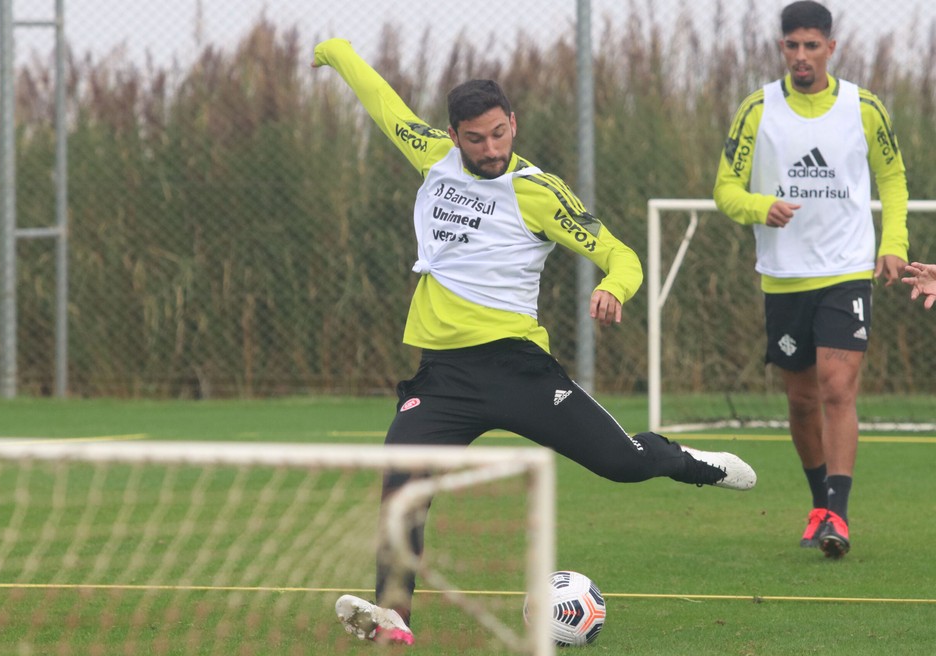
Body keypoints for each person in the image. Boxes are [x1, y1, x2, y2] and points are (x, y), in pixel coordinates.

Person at [312, 37, 756, 646]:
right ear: (454, 134)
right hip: (442, 380)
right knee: (401, 482)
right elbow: (380, 100)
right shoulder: (431, 156)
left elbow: (620, 254)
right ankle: (395, 620)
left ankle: (689, 463)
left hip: (521, 372)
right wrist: (335, 51)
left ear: (513, 123)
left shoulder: (539, 193)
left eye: (500, 134)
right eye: (476, 139)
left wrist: (614, 289)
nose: (491, 149)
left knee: (621, 464)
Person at [714, 1, 909, 559]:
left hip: (847, 269)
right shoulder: (757, 108)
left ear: (831, 47)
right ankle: (819, 502)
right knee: (800, 401)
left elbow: (892, 180)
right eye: (792, 46)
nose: (802, 56)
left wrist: (893, 245)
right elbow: (725, 188)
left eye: (812, 46)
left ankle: (839, 517)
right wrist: (760, 206)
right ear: (782, 48)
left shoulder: (863, 107)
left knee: (836, 386)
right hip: (783, 275)